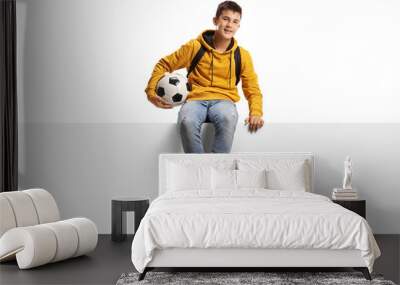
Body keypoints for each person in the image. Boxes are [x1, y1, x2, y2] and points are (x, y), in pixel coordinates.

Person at [145, 1, 264, 153]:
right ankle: (197, 168)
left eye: (235, 21)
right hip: (195, 99)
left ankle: (217, 168)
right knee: (187, 122)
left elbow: (252, 87)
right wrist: (151, 92)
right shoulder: (194, 47)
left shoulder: (242, 55)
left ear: (238, 26)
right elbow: (163, 65)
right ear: (216, 21)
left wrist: (256, 112)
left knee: (228, 118)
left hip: (224, 101)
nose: (229, 25)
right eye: (225, 19)